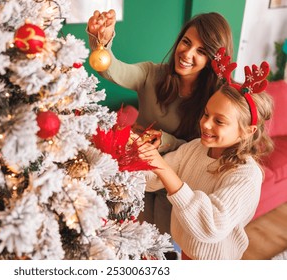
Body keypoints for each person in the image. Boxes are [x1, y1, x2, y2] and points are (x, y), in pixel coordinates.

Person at [87, 10, 234, 236]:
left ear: (212, 60)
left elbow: (205, 147)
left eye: (201, 51)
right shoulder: (151, 74)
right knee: (132, 237)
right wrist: (101, 41)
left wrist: (165, 141)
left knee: (165, 244)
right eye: (186, 42)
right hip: (138, 176)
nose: (187, 53)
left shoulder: (215, 99)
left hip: (176, 184)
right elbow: (112, 70)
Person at [135, 69, 274, 259]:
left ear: (247, 131)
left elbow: (210, 227)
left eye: (219, 121)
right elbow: (152, 179)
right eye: (206, 114)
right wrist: (133, 156)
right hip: (185, 250)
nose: (206, 124)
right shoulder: (195, 148)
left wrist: (162, 168)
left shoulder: (246, 176)